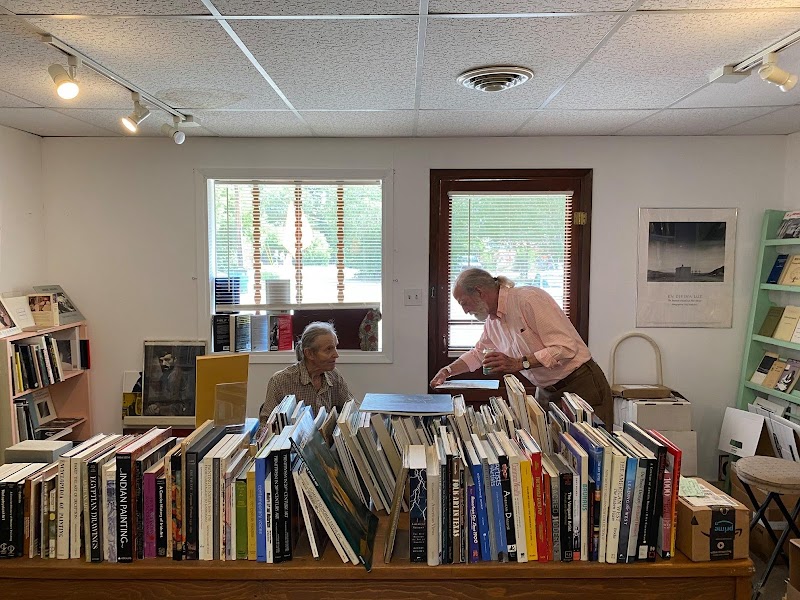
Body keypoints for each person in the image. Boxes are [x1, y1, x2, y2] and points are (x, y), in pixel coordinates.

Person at [430, 268, 613, 428]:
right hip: (546, 391)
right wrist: (448, 371)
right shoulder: (492, 322)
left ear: (479, 292)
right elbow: (478, 354)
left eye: (464, 303)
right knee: (552, 451)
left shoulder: (528, 299)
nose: (465, 311)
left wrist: (520, 363)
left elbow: (565, 347)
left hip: (580, 384)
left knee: (593, 451)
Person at [259, 321, 353, 425]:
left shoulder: (334, 376)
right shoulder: (280, 381)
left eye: (335, 347)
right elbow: (265, 425)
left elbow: (351, 409)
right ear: (309, 353)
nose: (336, 355)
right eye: (328, 349)